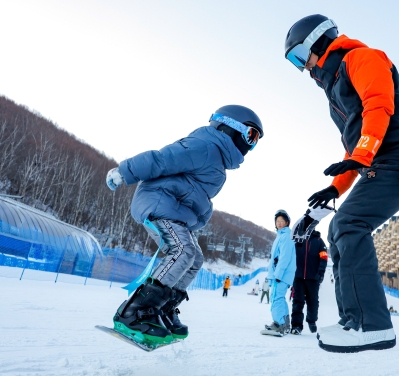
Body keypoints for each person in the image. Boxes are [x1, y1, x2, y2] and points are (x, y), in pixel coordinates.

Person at [284, 15, 399, 353]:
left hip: (397, 156)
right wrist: (336, 188)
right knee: (339, 230)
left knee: (349, 224)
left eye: (300, 56)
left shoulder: (361, 58)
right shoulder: (334, 91)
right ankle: (352, 320)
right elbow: (352, 147)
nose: (302, 67)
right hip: (379, 160)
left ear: (317, 42)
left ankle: (373, 326)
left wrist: (363, 153)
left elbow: (379, 104)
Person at [105, 105, 264, 346]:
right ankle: (134, 312)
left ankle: (162, 309)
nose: (251, 146)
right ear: (231, 127)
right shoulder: (204, 146)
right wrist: (124, 172)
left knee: (195, 258)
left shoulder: (217, 160)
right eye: (251, 135)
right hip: (157, 202)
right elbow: (160, 160)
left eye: (256, 141)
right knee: (183, 251)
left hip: (172, 211)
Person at [264, 210, 296, 336]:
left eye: (282, 221)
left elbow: (285, 257)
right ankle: (283, 324)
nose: (279, 223)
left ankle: (280, 324)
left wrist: (278, 274)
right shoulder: (280, 236)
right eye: (277, 221)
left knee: (276, 298)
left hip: (281, 275)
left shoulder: (286, 236)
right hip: (280, 274)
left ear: (287, 222)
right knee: (279, 298)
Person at [290, 230, 328, 335]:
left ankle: (311, 320)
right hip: (298, 277)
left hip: (313, 277)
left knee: (313, 301)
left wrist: (321, 272)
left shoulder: (319, 241)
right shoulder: (297, 240)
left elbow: (324, 257)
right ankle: (296, 326)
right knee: (298, 301)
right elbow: (289, 254)